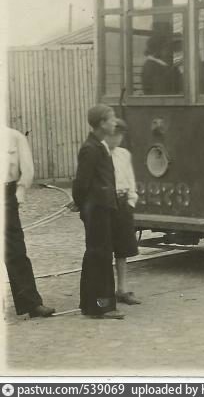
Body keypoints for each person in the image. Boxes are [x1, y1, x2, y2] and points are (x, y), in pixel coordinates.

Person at [72, 104, 124, 319]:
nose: (115, 123)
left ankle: (91, 305)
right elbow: (81, 182)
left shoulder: (99, 145)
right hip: (97, 210)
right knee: (99, 256)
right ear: (101, 123)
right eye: (111, 119)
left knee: (99, 255)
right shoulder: (91, 148)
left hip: (102, 209)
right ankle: (98, 307)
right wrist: (81, 204)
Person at [4, 127, 55, 319]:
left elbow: (27, 169)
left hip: (6, 196)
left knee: (16, 251)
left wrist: (20, 192)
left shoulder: (14, 137)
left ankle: (31, 304)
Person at [105, 119, 142, 305]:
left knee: (123, 249)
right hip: (106, 204)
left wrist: (131, 201)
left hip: (123, 204)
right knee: (104, 249)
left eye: (119, 136)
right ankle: (105, 291)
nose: (116, 139)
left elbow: (130, 178)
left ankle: (122, 289)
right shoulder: (99, 154)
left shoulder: (124, 154)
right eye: (113, 135)